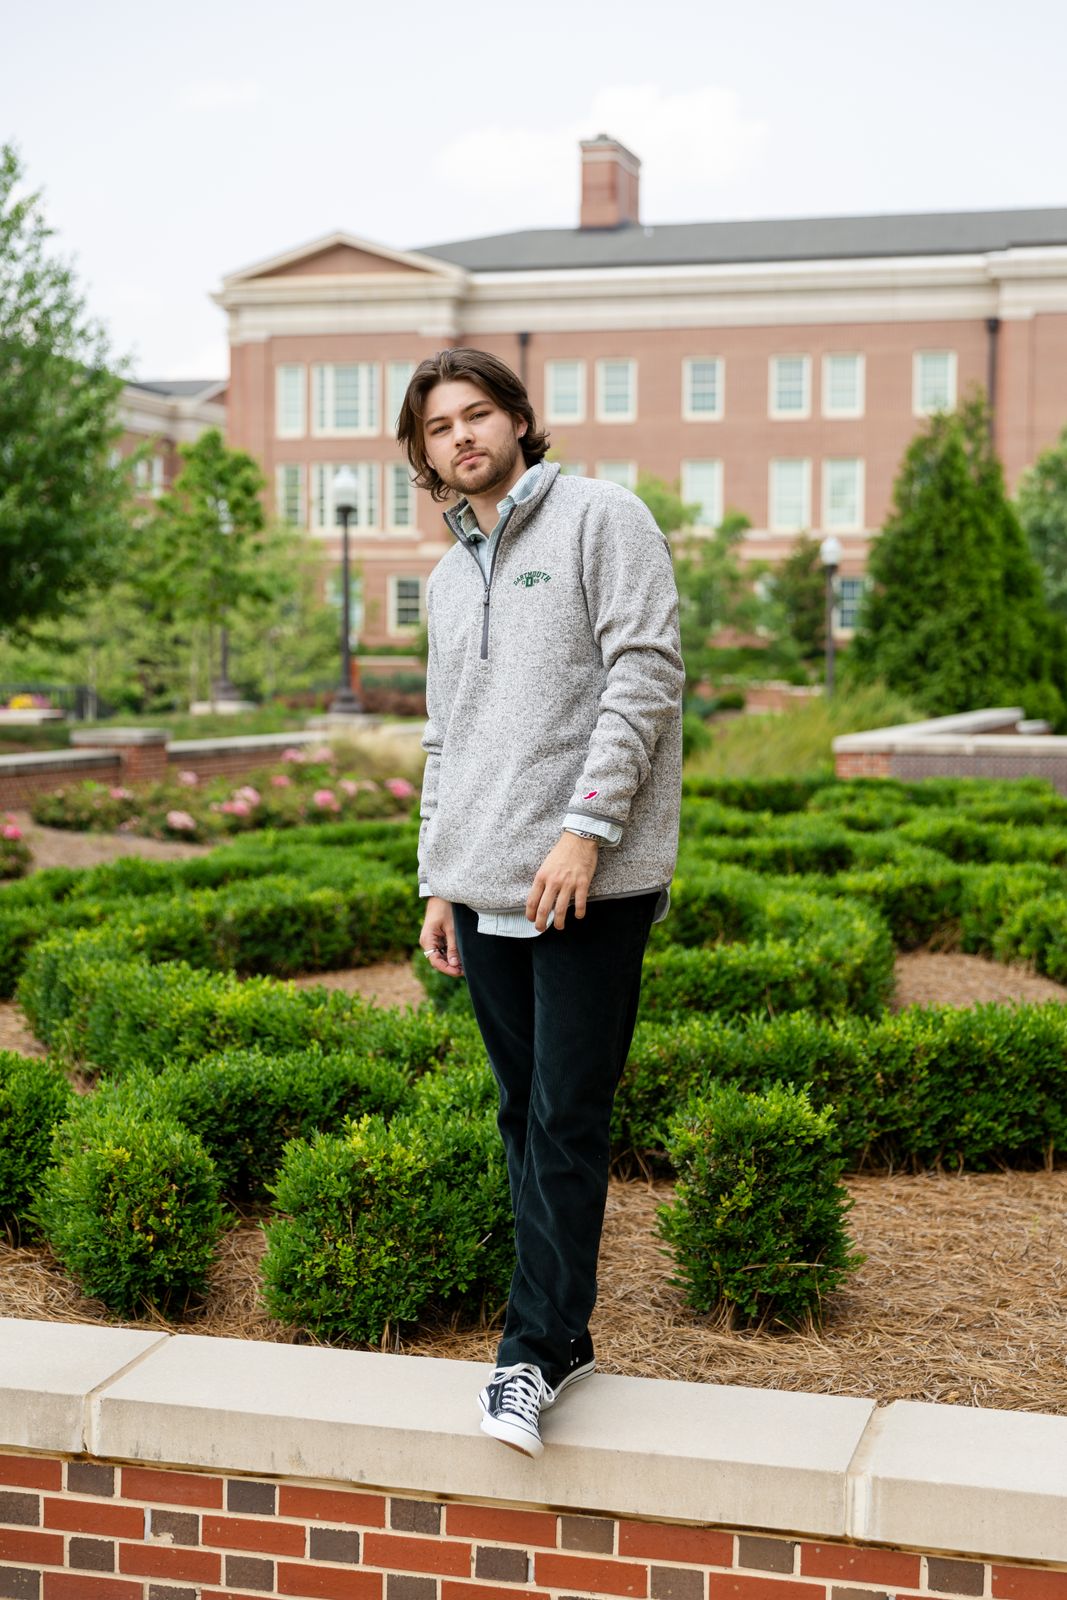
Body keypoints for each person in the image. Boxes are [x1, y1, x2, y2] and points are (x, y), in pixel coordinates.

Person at [396, 348, 683, 1457]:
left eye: (478, 415)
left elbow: (645, 670)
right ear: (423, 454)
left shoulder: (601, 517)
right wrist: (437, 874)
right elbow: (445, 737)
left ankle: (528, 1352)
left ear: (519, 420)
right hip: (482, 884)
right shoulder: (442, 574)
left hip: (587, 882)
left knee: (567, 1113)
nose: (461, 436)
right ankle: (561, 1333)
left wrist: (586, 830)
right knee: (522, 1116)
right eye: (439, 427)